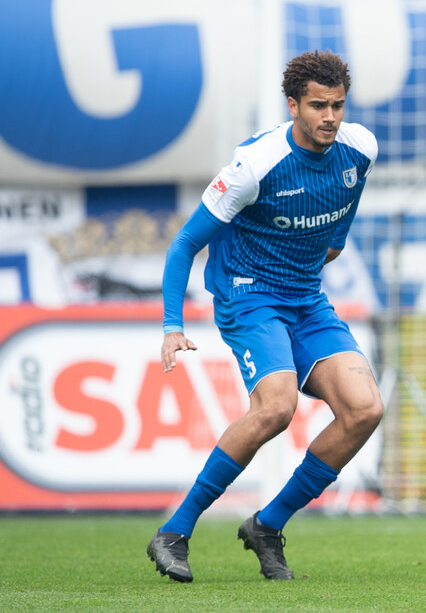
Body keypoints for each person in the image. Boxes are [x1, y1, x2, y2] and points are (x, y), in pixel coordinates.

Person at [146, 50, 382, 583]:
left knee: (365, 410)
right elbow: (184, 244)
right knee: (277, 407)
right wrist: (171, 324)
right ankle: (175, 532)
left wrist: (330, 248)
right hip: (250, 297)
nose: (330, 117)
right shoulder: (255, 165)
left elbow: (341, 218)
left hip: (306, 298)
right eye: (318, 105)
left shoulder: (360, 147)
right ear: (293, 105)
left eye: (338, 106)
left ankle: (267, 525)